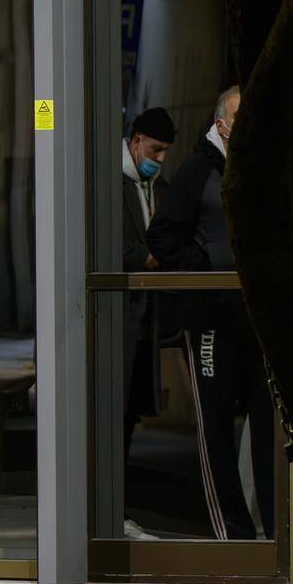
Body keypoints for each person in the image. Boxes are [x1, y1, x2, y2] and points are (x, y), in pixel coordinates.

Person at [147, 85, 275, 541]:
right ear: (222, 124)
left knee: (268, 423)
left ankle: (274, 532)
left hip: (260, 319)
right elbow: (162, 237)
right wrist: (205, 272)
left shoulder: (263, 166)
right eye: (242, 117)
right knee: (217, 428)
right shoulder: (197, 171)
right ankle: (234, 534)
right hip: (212, 322)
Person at [120, 107, 174, 458]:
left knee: (131, 410)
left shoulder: (158, 188)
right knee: (115, 406)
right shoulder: (111, 182)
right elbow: (125, 250)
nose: (160, 158)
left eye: (165, 151)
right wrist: (150, 256)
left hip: (144, 318)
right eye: (155, 149)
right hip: (119, 314)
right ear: (136, 141)